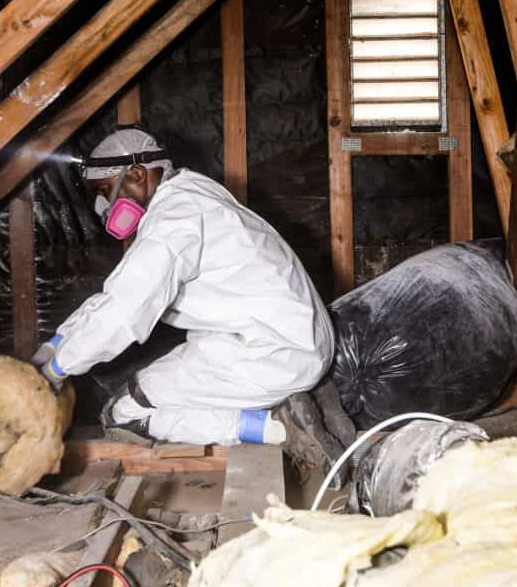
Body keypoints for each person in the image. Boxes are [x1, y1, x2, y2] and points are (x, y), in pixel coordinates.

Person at [33, 128, 354, 479]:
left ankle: (278, 425)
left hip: (272, 350)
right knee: (156, 387)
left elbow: (124, 311)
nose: (102, 206)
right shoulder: (192, 195)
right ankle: (297, 399)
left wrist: (56, 369)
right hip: (282, 338)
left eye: (104, 190)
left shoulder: (174, 221)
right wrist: (56, 344)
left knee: (125, 412)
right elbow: (114, 297)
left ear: (137, 175)